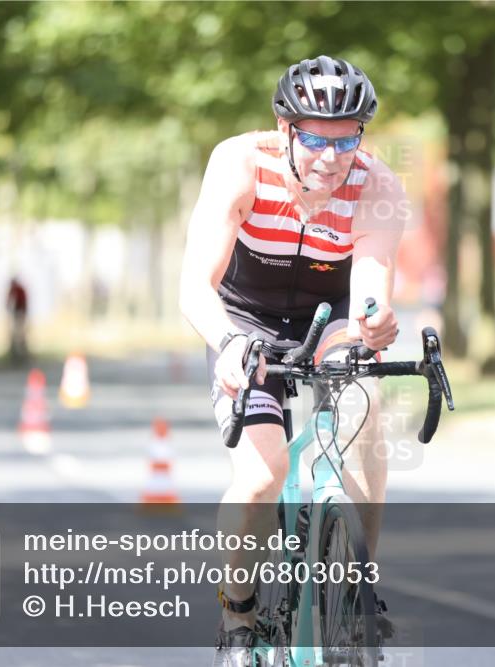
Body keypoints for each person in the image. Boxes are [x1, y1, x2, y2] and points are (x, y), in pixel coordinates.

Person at [178, 55, 409, 665]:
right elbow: (194, 286)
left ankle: (356, 589)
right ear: (285, 129)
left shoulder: (379, 185)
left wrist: (375, 320)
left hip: (328, 316)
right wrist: (228, 345)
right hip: (245, 318)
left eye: (345, 139)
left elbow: (368, 292)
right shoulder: (239, 163)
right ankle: (237, 614)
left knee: (365, 401)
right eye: (313, 139)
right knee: (261, 477)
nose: (331, 157)